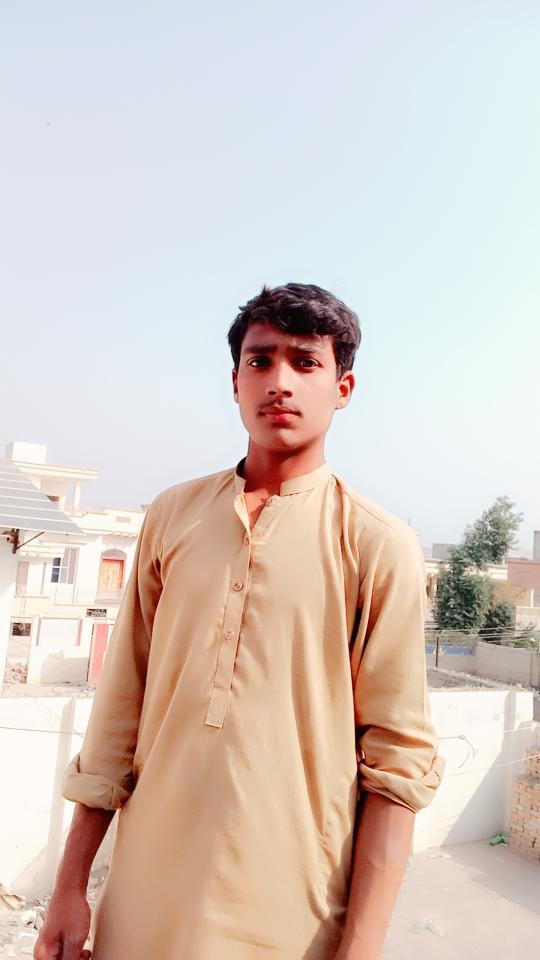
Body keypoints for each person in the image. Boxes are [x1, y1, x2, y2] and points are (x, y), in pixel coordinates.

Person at [34, 283, 445, 960]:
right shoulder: (174, 515)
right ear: (235, 382)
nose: (280, 381)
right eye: (260, 360)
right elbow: (119, 710)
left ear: (343, 388)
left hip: (291, 917)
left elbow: (397, 765)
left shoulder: (376, 543)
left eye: (305, 362)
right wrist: (70, 886)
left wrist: (362, 946)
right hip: (141, 904)